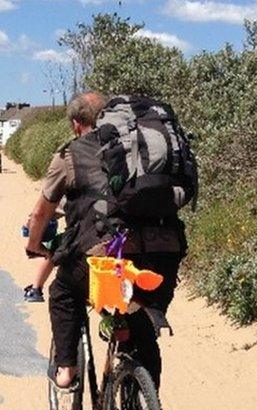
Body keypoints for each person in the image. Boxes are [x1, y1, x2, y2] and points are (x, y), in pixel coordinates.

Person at [25, 92, 189, 390]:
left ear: (77, 124)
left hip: (108, 258)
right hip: (164, 254)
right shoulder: (140, 150)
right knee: (141, 329)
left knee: (62, 291)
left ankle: (66, 370)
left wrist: (33, 246)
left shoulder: (71, 154)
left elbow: (40, 214)